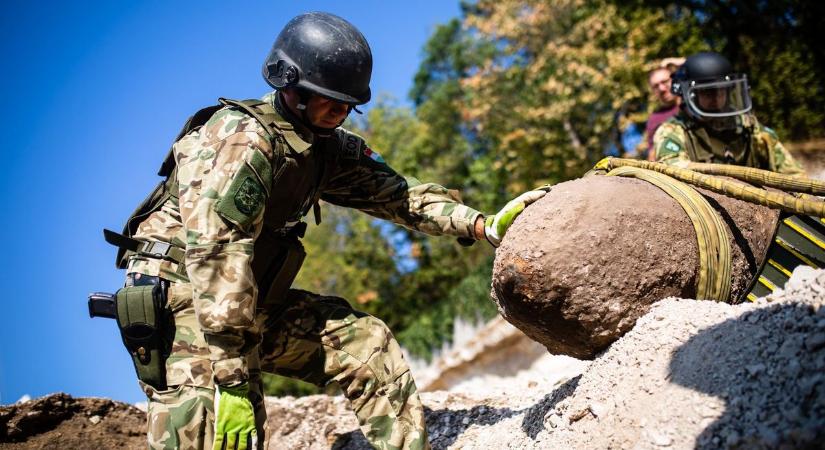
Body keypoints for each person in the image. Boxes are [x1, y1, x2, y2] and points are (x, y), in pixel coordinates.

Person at [110, 12, 546, 450]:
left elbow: (400, 196)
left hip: (248, 303)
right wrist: (233, 379)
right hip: (186, 305)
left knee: (364, 345)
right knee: (221, 439)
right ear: (290, 84)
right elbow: (216, 255)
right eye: (328, 98)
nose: (340, 111)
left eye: (348, 103)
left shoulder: (325, 148)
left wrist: (481, 224)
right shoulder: (243, 139)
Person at [653, 51, 804, 175]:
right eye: (707, 92)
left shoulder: (748, 126)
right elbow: (675, 170)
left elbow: (793, 174)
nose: (716, 97)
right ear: (690, 96)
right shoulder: (672, 132)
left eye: (721, 90)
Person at [641, 57, 684, 161]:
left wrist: (676, 62)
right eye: (656, 86)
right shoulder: (654, 119)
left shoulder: (694, 103)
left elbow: (707, 69)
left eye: (665, 82)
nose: (661, 89)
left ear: (675, 80)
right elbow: (652, 155)